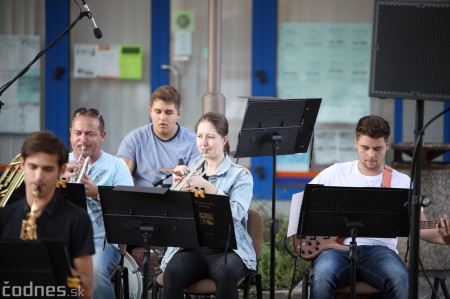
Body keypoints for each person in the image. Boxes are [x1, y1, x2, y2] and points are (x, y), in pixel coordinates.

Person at [304, 115, 449, 299]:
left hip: (380, 252)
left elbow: (420, 227)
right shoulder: (335, 173)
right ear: (356, 143)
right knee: (321, 278)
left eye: (377, 148)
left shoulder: (402, 182)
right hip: (335, 251)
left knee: (401, 280)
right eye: (365, 148)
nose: (371, 154)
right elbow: (305, 207)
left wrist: (445, 238)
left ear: (387, 144)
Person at [159, 111, 255, 299]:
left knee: (227, 272)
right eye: (200, 136)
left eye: (210, 137)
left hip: (228, 249)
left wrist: (209, 188)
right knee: (172, 272)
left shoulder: (241, 175)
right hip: (192, 247)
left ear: (224, 139)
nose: (203, 142)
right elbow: (173, 214)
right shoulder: (192, 170)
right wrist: (175, 187)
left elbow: (236, 213)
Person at [0, 131, 95, 298]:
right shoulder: (4, 216)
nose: (38, 177)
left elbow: (85, 290)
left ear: (62, 170)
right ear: (21, 165)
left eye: (47, 169)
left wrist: (67, 275)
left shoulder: (77, 219)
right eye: (33, 167)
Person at [61, 107, 134, 299]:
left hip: (102, 243)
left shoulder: (117, 166)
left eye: (90, 134)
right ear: (70, 134)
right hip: (61, 239)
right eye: (78, 133)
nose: (82, 140)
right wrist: (59, 185)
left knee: (91, 274)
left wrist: (98, 194)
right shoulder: (59, 164)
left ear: (103, 136)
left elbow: (129, 210)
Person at [117, 85, 199, 187]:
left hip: (178, 199)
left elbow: (195, 182)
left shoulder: (193, 141)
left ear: (178, 114)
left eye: (168, 112)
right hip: (141, 200)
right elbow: (120, 180)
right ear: (150, 111)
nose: (162, 117)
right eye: (158, 111)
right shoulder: (134, 139)